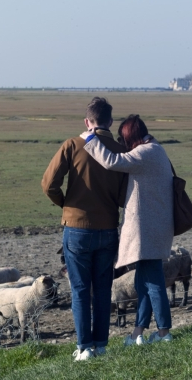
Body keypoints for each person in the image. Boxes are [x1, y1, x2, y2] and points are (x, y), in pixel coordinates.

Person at [41, 97, 127, 361]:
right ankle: (100, 344)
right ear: (110, 122)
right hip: (108, 229)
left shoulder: (73, 145)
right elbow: (124, 196)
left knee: (80, 290)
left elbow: (48, 185)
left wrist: (66, 205)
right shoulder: (119, 149)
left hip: (76, 228)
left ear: (87, 122)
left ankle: (84, 347)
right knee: (102, 289)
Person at [81, 114, 174, 346]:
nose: (123, 144)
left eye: (124, 139)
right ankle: (138, 333)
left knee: (153, 282)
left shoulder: (145, 152)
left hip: (147, 231)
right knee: (144, 281)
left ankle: (164, 334)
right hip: (154, 228)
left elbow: (113, 161)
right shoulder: (156, 149)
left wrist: (90, 141)